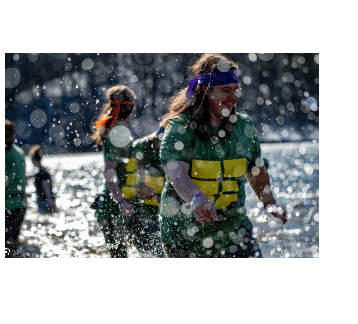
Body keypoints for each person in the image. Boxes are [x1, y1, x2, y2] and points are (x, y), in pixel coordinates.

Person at [158, 53, 287, 258]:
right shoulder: (180, 127)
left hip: (234, 229)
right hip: (183, 232)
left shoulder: (244, 126)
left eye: (236, 90)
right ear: (205, 92)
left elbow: (256, 169)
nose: (234, 96)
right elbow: (175, 171)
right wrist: (196, 198)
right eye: (226, 90)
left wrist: (269, 203)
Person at [91, 85, 139, 258]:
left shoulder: (116, 129)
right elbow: (109, 171)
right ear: (132, 108)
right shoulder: (119, 133)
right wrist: (120, 202)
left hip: (112, 205)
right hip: (113, 207)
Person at [130, 126, 166, 257]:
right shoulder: (141, 146)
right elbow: (127, 173)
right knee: (152, 250)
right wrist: (138, 187)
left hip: (161, 209)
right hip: (140, 209)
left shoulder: (174, 149)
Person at [5, 119, 27, 257]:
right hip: (20, 205)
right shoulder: (19, 152)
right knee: (11, 244)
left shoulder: (4, 154)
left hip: (7, 207)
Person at [27, 145, 57, 214]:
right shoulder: (42, 171)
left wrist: (49, 199)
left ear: (34, 160)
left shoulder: (41, 172)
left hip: (44, 201)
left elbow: (45, 185)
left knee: (45, 218)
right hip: (46, 200)